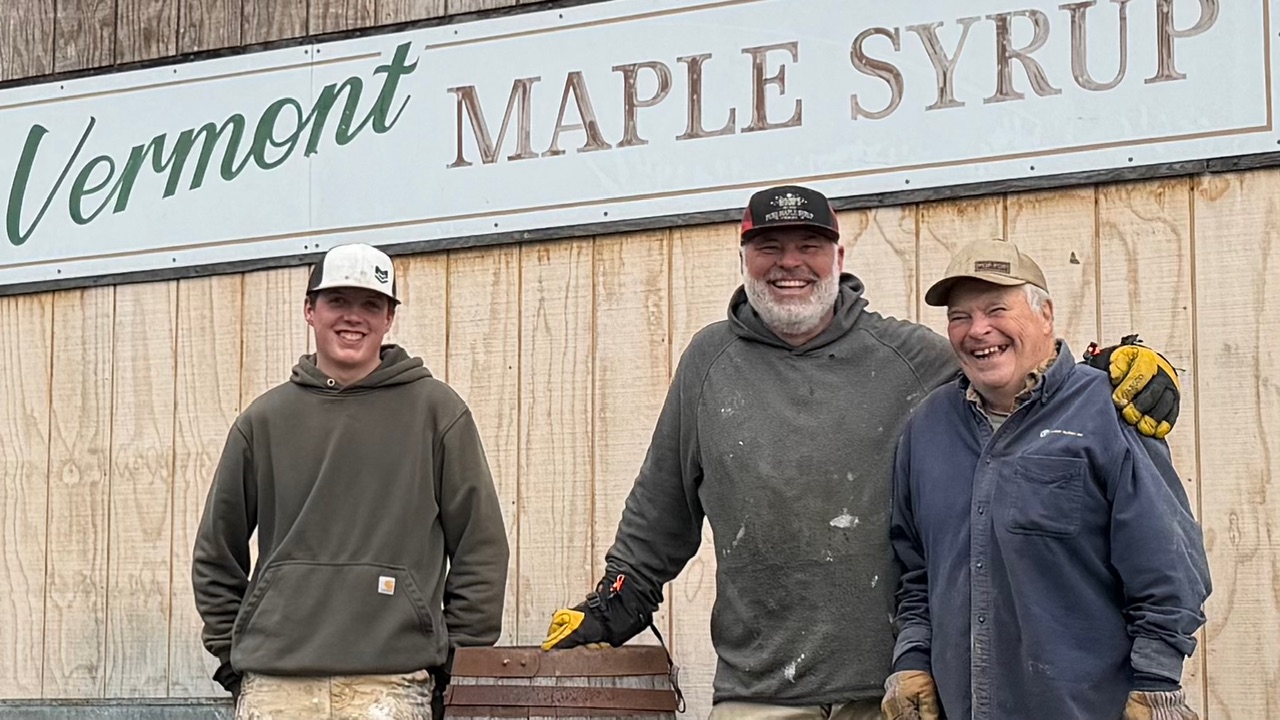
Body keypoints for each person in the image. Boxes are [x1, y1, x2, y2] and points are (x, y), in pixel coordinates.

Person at [540, 185, 1183, 719]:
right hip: (757, 692)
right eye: (770, 247)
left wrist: (1110, 368)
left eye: (809, 247)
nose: (790, 263)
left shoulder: (915, 361)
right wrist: (614, 603)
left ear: (838, 255)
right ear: (744, 258)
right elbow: (661, 509)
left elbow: (1015, 375)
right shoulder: (710, 363)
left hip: (891, 695)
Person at [883, 238, 1211, 720]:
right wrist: (911, 659)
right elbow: (916, 571)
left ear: (1046, 316)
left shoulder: (1109, 412)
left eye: (997, 308)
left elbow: (1169, 568)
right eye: (960, 316)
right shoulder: (927, 427)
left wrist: (1156, 683)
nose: (979, 330)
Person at [191, 242, 510, 719]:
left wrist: (451, 663)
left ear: (389, 318)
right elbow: (216, 553)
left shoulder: (438, 414)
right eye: (337, 301)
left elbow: (481, 548)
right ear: (309, 311)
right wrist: (235, 660)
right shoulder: (264, 421)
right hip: (277, 688)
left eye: (370, 304)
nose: (353, 317)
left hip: (393, 687)